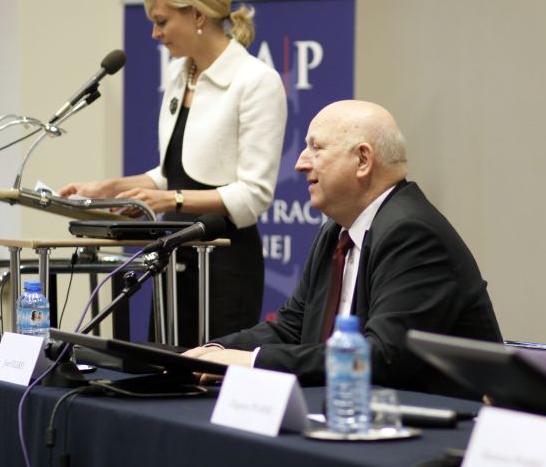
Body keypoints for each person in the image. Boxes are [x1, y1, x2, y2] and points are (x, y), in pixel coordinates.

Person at [184, 100, 502, 395]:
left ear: (363, 160)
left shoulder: (412, 234)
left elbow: (381, 358)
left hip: (438, 426)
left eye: (316, 148)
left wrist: (252, 362)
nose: (299, 163)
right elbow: (291, 328)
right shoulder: (336, 232)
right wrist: (214, 352)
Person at [60, 0, 287, 345]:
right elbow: (176, 172)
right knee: (163, 368)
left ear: (198, 15)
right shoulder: (179, 76)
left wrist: (170, 200)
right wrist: (109, 188)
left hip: (224, 259)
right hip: (174, 250)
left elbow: (253, 196)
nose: (155, 33)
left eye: (162, 21)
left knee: (209, 373)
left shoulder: (256, 82)